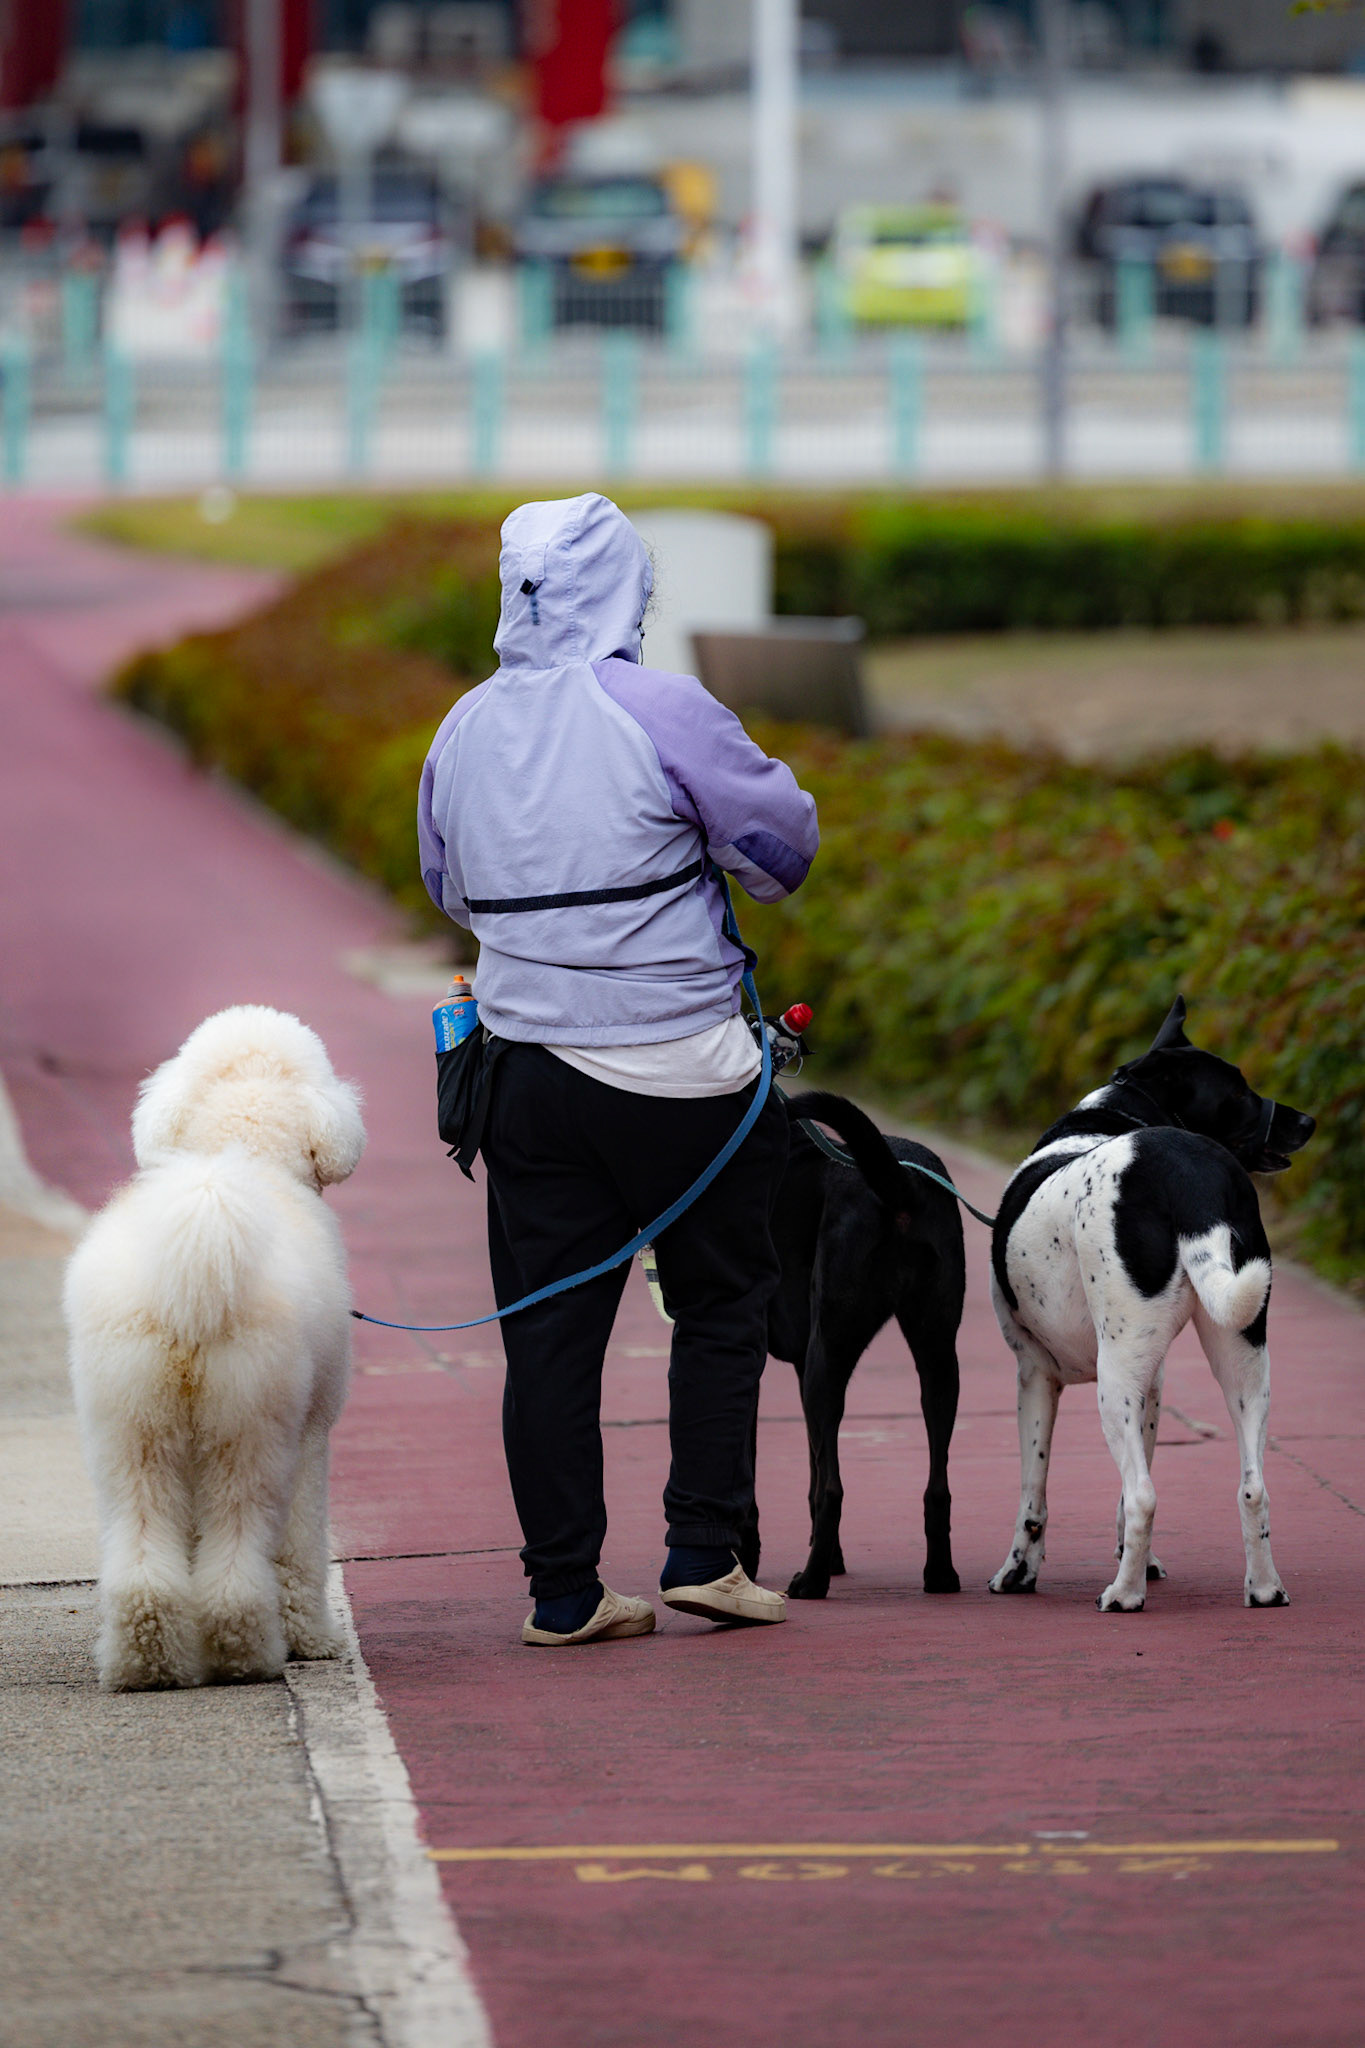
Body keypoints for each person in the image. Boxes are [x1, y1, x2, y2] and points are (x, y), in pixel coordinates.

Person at [418, 493, 819, 1647]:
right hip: (685, 1071)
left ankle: (564, 1592)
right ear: (626, 589)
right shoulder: (662, 705)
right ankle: (705, 1552)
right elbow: (781, 848)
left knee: (546, 1332)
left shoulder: (462, 727)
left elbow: (449, 888)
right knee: (722, 1300)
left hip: (524, 1077)